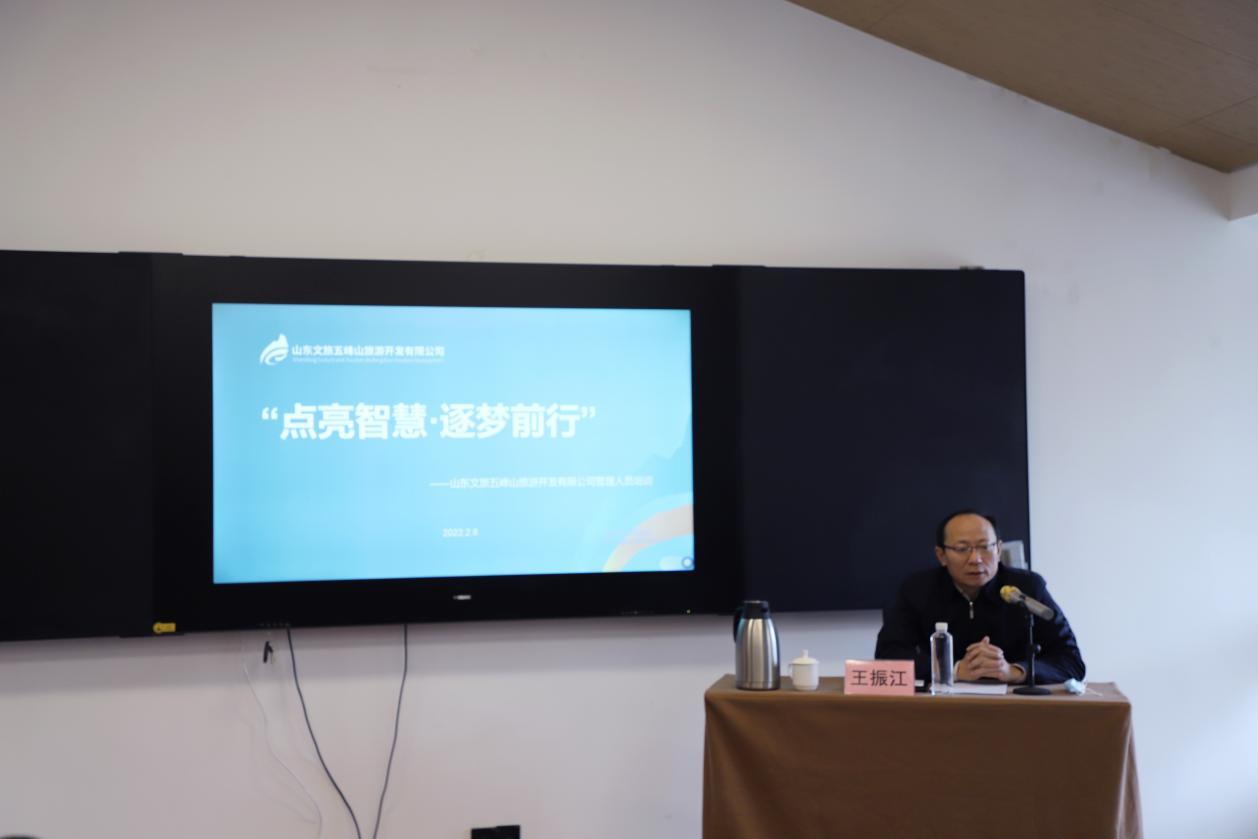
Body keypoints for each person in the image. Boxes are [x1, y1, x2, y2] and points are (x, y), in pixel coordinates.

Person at [874, 510, 1085, 685]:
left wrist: (1013, 671)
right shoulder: (917, 589)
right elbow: (888, 656)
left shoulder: (1027, 588)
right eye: (962, 549)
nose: (975, 559)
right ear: (941, 555)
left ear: (999, 549)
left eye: (985, 547)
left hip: (1015, 708)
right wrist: (954, 670)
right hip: (941, 706)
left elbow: (1071, 661)